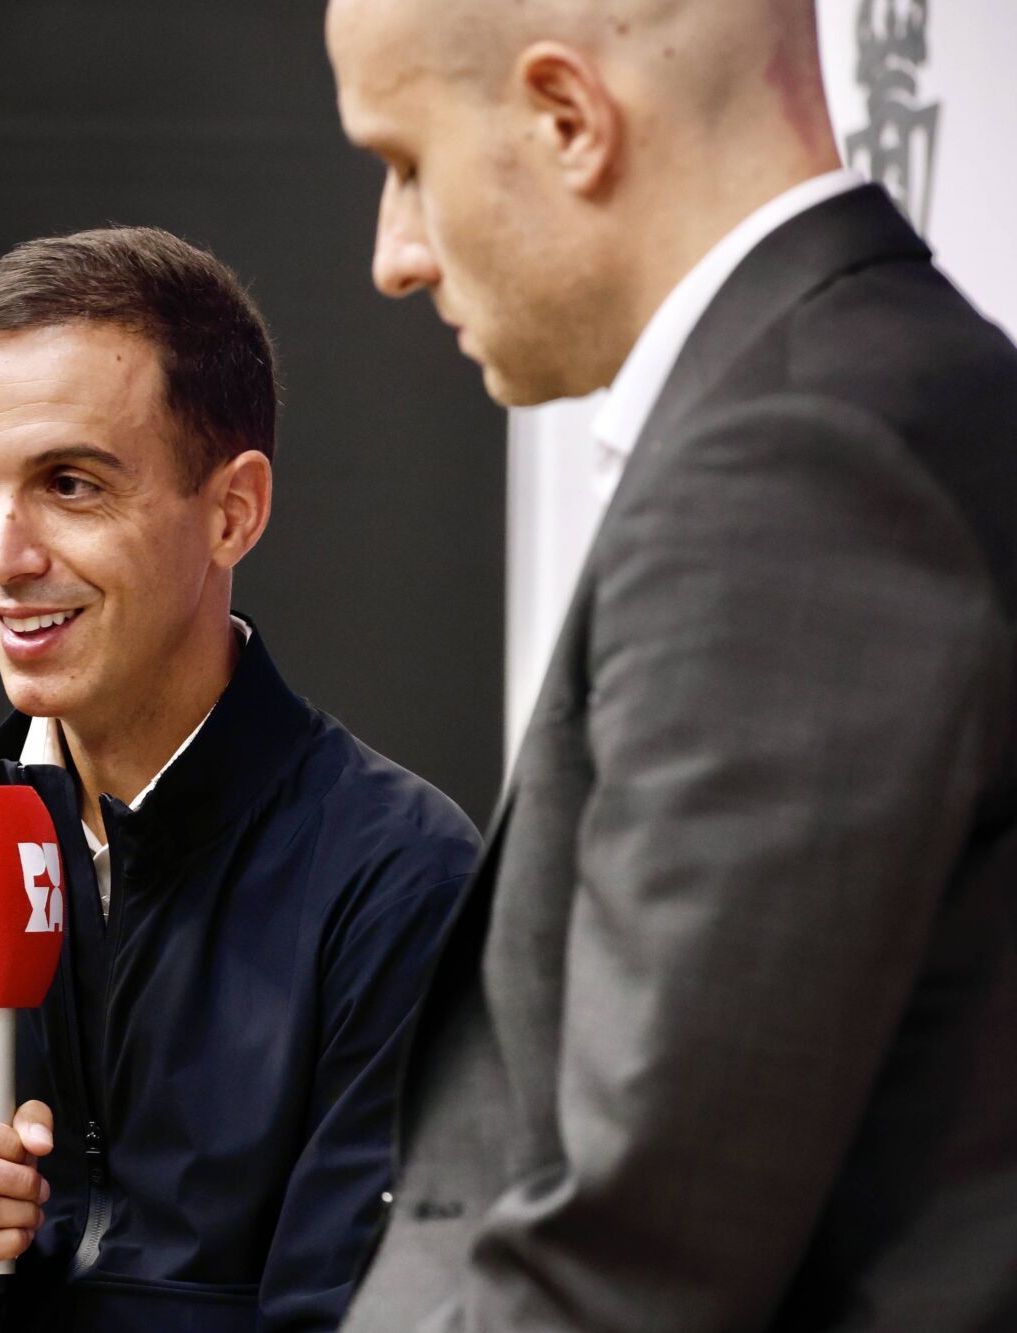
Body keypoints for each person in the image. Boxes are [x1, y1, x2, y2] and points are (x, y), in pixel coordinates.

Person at [324, 1, 1017, 1328]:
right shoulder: (851, 401)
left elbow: (634, 1258)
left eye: (405, 162)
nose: (394, 255)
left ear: (568, 120)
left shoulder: (799, 463)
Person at [0, 226, 479, 1331]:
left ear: (232, 509)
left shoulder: (396, 871)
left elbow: (361, 1307)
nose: (2, 555)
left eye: (68, 484)